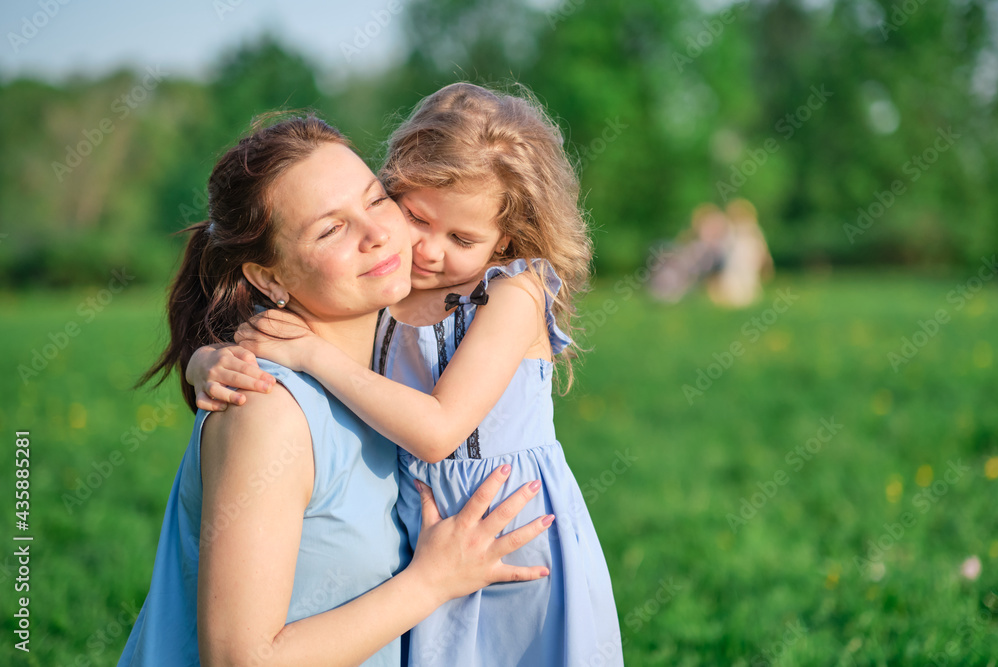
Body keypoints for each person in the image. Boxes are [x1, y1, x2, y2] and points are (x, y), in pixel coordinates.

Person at [188, 84, 623, 666]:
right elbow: (276, 324)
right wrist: (203, 362)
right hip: (428, 545)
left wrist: (316, 358)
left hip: (508, 535)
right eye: (415, 216)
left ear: (507, 238)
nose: (427, 250)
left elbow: (439, 428)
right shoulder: (386, 292)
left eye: (462, 238)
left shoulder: (510, 293)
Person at [119, 115, 554, 666]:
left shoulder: (387, 382)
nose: (377, 234)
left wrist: (199, 358)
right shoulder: (266, 411)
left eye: (376, 201)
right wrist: (431, 583)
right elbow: (239, 661)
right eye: (331, 229)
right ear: (270, 280)